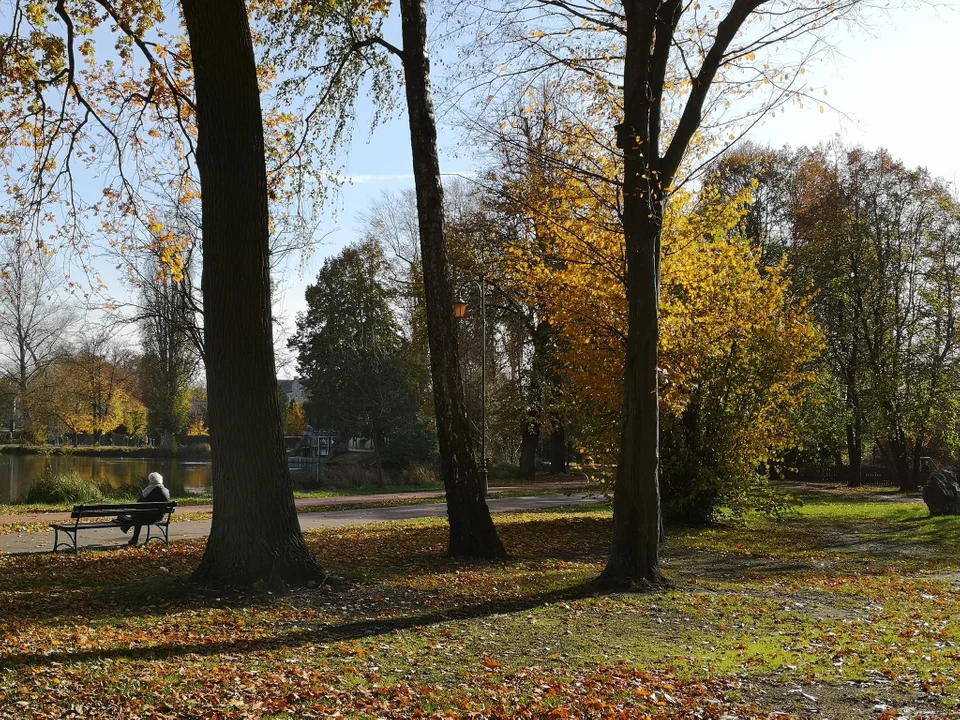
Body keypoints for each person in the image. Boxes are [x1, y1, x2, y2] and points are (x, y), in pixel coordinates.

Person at [117, 472, 171, 546]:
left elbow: (139, 503)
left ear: (151, 481)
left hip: (150, 517)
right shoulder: (166, 490)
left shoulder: (150, 490)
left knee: (137, 517)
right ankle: (131, 534)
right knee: (138, 516)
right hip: (159, 517)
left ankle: (130, 532)